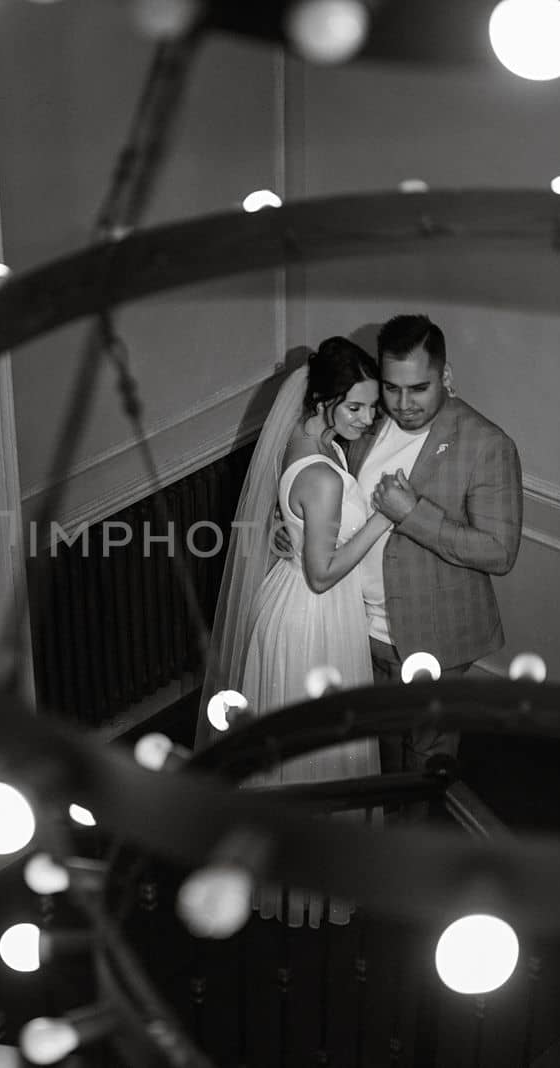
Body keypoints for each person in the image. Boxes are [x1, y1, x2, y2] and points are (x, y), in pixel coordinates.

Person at [200, 336, 389, 927]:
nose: (366, 419)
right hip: (315, 614)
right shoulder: (327, 472)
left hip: (283, 603)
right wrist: (385, 516)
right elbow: (324, 568)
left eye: (370, 407)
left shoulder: (301, 440)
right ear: (324, 399)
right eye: (356, 407)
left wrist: (294, 533)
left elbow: (297, 530)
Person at [350, 314, 524, 772]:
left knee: (425, 760)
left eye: (419, 389)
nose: (403, 404)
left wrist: (413, 515)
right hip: (356, 629)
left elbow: (499, 551)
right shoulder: (366, 421)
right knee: (375, 751)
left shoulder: (487, 444)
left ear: (445, 377)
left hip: (436, 638)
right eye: (391, 388)